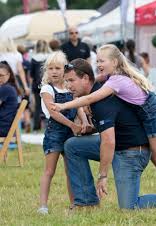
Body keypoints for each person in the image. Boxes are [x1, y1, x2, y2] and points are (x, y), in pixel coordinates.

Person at [52, 58, 156, 210]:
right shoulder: (97, 91)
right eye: (66, 81)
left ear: (85, 78)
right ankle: (86, 203)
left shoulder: (100, 100)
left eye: (71, 80)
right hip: (118, 144)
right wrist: (90, 128)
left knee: (129, 207)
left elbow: (108, 141)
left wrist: (103, 176)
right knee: (72, 146)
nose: (68, 86)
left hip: (132, 152)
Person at [37, 51, 90, 214]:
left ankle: (74, 203)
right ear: (47, 70)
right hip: (55, 134)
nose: (54, 71)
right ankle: (43, 206)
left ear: (64, 70)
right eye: (50, 68)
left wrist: (85, 121)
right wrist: (72, 125)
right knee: (49, 171)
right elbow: (54, 112)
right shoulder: (47, 89)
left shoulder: (69, 87)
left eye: (58, 68)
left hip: (70, 134)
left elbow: (78, 105)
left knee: (70, 171)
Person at [30, 40, 50, 131]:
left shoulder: (33, 58)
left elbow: (31, 74)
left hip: (36, 85)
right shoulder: (49, 57)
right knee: (49, 104)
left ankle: (36, 127)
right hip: (47, 83)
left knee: (38, 106)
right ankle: (49, 125)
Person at [0, 61, 18, 137]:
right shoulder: (10, 87)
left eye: (1, 75)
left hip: (3, 129)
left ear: (8, 75)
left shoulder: (6, 88)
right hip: (7, 128)